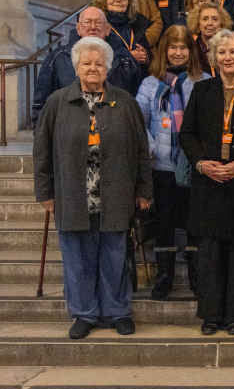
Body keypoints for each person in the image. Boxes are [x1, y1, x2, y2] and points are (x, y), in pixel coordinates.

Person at [34, 37, 152, 340]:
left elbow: (141, 149)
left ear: (108, 67)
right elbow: (42, 151)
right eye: (86, 62)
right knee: (78, 260)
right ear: (76, 66)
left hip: (116, 193)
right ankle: (84, 314)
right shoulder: (57, 102)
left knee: (114, 256)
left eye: (99, 63)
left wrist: (144, 190)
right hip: (72, 195)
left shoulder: (125, 102)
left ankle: (117, 312)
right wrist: (45, 192)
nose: (93, 68)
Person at [180, 29, 234, 336]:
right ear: (214, 58)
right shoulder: (202, 90)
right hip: (208, 182)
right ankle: (211, 315)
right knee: (210, 253)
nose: (228, 57)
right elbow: (186, 134)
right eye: (222, 52)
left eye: (233, 52)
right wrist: (200, 163)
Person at [136, 25, 209, 299]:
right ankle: (164, 275)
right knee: (164, 222)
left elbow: (208, 122)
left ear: (191, 52)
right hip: (162, 166)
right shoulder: (149, 83)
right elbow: (139, 122)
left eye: (183, 48)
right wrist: (152, 148)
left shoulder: (202, 80)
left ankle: (196, 274)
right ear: (163, 50)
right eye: (173, 47)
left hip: (193, 166)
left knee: (194, 222)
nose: (178, 53)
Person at [33, 8, 110, 125]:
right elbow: (42, 102)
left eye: (98, 22)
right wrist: (40, 136)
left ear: (107, 29)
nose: (93, 27)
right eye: (88, 22)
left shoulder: (122, 59)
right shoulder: (57, 58)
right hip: (68, 133)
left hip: (109, 134)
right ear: (78, 28)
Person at [91, 0, 153, 96]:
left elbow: (148, 53)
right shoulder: (96, 26)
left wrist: (146, 56)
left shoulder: (136, 25)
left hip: (137, 90)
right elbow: (95, 58)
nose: (118, 0)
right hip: (108, 89)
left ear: (129, 2)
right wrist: (129, 57)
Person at [187, 1, 232, 75]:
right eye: (205, 19)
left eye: (215, 19)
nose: (210, 23)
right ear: (198, 23)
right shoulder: (191, 47)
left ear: (221, 22)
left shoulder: (229, 45)